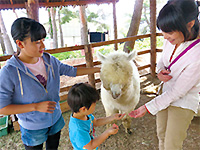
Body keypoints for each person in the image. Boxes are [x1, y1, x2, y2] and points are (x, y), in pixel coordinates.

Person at [0, 17, 100, 150]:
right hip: (32, 128)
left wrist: (100, 69)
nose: (43, 46)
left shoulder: (49, 60)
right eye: (37, 42)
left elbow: (72, 71)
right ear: (20, 44)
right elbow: (3, 108)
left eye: (43, 40)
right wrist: (35, 107)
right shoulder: (9, 72)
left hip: (55, 120)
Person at [129, 0, 200, 150]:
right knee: (161, 135)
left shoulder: (197, 54)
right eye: (164, 32)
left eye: (169, 34)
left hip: (183, 100)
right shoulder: (172, 36)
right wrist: (159, 71)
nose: (165, 37)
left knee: (171, 145)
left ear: (190, 24)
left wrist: (147, 107)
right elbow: (163, 60)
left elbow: (179, 92)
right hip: (164, 93)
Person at [67, 83, 125, 150]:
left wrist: (112, 117)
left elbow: (95, 122)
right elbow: (90, 146)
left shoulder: (84, 114)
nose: (95, 106)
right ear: (83, 109)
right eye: (94, 105)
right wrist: (107, 133)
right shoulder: (78, 129)